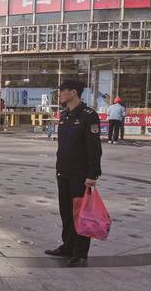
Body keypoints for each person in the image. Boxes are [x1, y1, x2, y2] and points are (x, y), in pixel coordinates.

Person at [45, 80, 102, 267]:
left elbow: (94, 148)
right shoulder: (65, 115)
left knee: (80, 214)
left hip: (80, 174)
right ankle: (67, 246)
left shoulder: (89, 116)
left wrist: (92, 175)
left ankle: (80, 253)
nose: (59, 93)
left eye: (62, 90)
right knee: (66, 212)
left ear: (74, 92)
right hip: (63, 172)